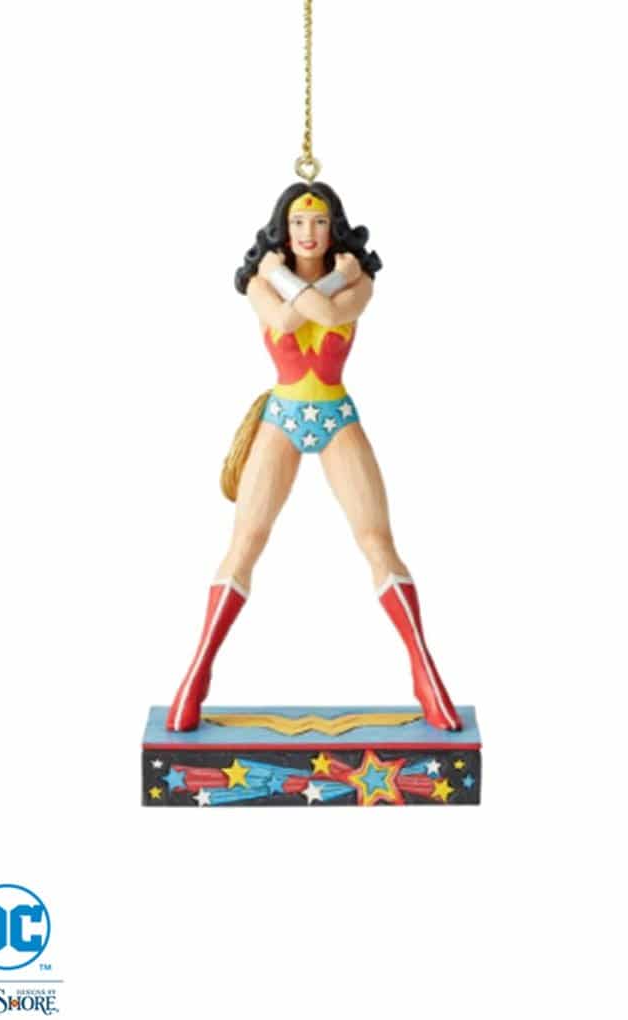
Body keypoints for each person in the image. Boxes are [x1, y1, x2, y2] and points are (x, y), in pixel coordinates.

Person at [166, 182, 462, 732]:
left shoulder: (356, 283)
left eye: (319, 222)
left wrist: (299, 279)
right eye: (299, 222)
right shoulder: (265, 284)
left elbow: (323, 316)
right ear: (283, 229)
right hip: (281, 417)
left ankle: (425, 674)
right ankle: (196, 675)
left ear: (334, 228)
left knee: (376, 540)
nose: (308, 232)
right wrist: (302, 276)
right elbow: (283, 323)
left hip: (335, 417)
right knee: (245, 542)